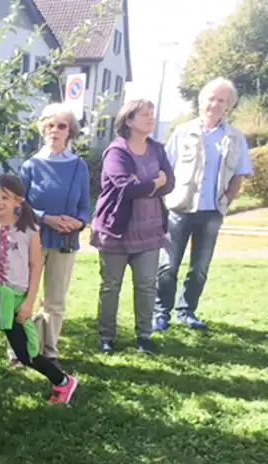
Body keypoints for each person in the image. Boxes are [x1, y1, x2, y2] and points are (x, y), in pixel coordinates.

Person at [0, 175, 80, 415]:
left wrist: (29, 303)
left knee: (25, 352)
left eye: (4, 197)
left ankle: (63, 382)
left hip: (14, 299)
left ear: (18, 201)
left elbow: (36, 266)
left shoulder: (29, 230)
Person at [154, 78, 254, 331]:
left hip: (212, 212)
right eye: (210, 98)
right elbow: (166, 168)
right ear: (201, 101)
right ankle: (160, 313)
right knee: (168, 265)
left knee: (200, 267)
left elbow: (239, 174)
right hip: (180, 208)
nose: (214, 104)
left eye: (221, 100)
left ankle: (186, 312)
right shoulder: (182, 132)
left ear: (228, 106)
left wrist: (227, 202)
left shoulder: (235, 137)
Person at [10, 103, 91, 369]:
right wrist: (47, 218)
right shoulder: (31, 166)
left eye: (61, 125)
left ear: (71, 132)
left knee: (55, 299)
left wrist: (78, 223)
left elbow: (85, 207)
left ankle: (49, 351)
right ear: (42, 129)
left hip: (65, 241)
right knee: (23, 295)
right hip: (32, 238)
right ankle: (19, 352)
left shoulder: (79, 167)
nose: (54, 130)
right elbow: (20, 205)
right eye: (49, 125)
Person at [91, 100, 175, 354]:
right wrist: (155, 182)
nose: (151, 118)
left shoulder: (158, 150)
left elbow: (170, 183)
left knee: (147, 284)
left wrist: (147, 183)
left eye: (152, 114)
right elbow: (126, 188)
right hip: (116, 230)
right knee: (111, 286)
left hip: (150, 230)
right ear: (128, 120)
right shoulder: (116, 152)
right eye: (144, 114)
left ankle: (145, 337)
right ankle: (107, 337)